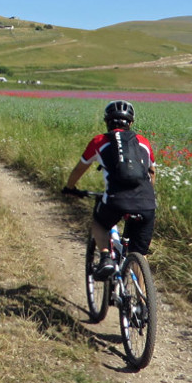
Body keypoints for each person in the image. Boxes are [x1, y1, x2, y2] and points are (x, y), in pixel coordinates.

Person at [62, 100, 156, 279]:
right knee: (140, 254)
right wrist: (147, 195)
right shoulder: (144, 142)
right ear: (131, 123)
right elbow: (152, 171)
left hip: (116, 199)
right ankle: (144, 303)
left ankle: (105, 258)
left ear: (107, 121)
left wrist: (69, 188)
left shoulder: (99, 141)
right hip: (147, 202)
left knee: (99, 222)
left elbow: (78, 169)